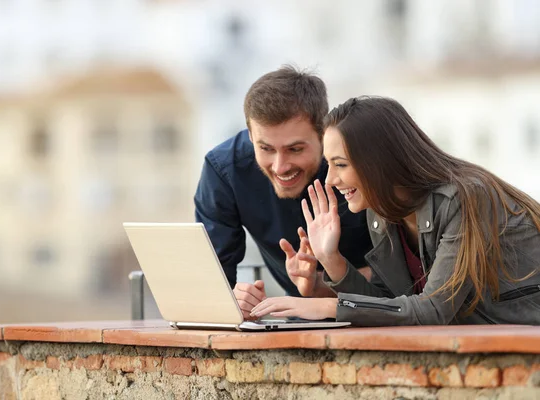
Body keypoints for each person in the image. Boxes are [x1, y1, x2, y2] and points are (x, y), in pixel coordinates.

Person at [251, 96, 540, 325]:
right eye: (330, 165)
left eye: (341, 165)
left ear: (380, 162)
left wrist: (330, 306)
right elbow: (392, 304)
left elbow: (431, 311)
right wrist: (330, 259)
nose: (330, 180)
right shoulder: (381, 213)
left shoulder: (464, 199)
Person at [194, 66, 373, 319]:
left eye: (295, 149)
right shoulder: (224, 170)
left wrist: (321, 283)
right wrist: (232, 300)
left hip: (386, 318)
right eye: (265, 148)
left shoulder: (363, 160)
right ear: (250, 134)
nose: (280, 166)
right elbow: (211, 283)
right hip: (299, 318)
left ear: (324, 133)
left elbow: (403, 279)